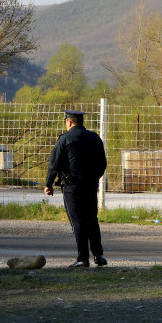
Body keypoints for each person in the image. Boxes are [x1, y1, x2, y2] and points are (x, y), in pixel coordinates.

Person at [45, 109, 108, 268]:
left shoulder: (64, 139)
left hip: (71, 185)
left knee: (78, 221)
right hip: (90, 184)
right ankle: (99, 255)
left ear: (69, 122)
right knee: (92, 219)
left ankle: (82, 258)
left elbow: (55, 164)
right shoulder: (94, 138)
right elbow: (102, 163)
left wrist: (48, 184)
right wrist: (94, 178)